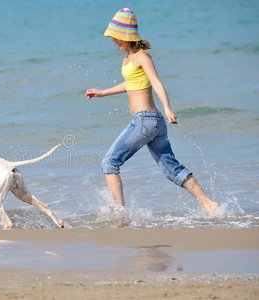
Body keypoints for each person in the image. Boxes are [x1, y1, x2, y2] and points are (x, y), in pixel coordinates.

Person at [85, 8, 220, 216]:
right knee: (170, 168)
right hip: (152, 123)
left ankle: (120, 213)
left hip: (145, 120)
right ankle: (208, 203)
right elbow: (131, 83)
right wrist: (103, 93)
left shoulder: (142, 56)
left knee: (109, 162)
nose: (113, 41)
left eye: (115, 37)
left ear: (126, 35)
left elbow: (156, 81)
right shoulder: (128, 58)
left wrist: (167, 107)